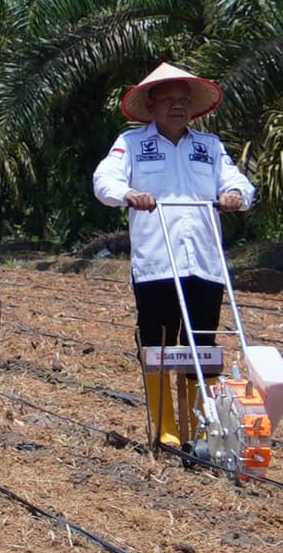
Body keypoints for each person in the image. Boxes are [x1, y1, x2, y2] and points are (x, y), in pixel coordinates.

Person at [92, 62, 252, 451]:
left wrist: (235, 196)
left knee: (203, 343)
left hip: (204, 261)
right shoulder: (130, 144)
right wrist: (129, 194)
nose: (177, 107)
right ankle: (165, 427)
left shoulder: (209, 146)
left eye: (184, 101)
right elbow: (104, 180)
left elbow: (239, 184)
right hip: (156, 262)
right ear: (151, 105)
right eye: (168, 101)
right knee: (157, 344)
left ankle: (203, 428)